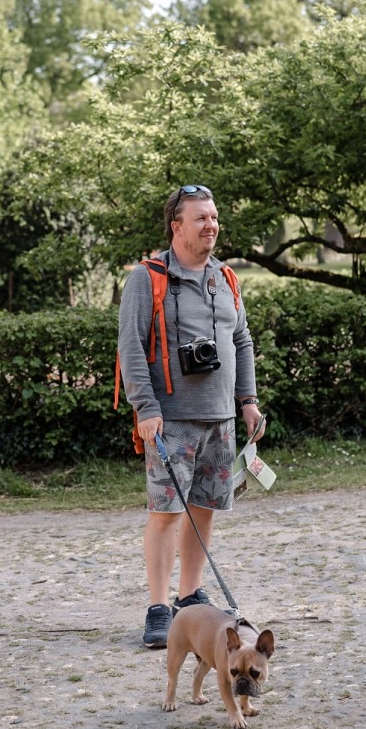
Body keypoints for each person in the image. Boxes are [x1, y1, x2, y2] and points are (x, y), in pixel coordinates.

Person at [117, 185, 262, 649]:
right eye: (200, 218)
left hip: (220, 419)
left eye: (214, 217)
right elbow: (131, 346)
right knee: (166, 513)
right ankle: (159, 608)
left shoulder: (226, 278)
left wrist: (248, 400)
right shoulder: (148, 277)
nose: (211, 225)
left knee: (203, 512)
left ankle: (188, 596)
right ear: (176, 226)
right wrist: (146, 406)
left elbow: (242, 341)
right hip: (170, 420)